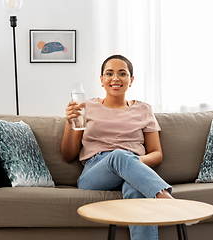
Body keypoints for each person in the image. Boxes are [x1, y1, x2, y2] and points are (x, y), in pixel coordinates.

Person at [61, 54, 173, 240]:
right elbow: (68, 155)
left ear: (131, 80)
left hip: (132, 166)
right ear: (101, 80)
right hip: (94, 173)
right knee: (119, 155)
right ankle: (168, 201)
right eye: (109, 73)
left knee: (135, 188)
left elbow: (157, 154)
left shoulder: (143, 110)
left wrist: (130, 163)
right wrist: (69, 122)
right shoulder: (86, 106)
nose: (115, 78)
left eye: (122, 73)